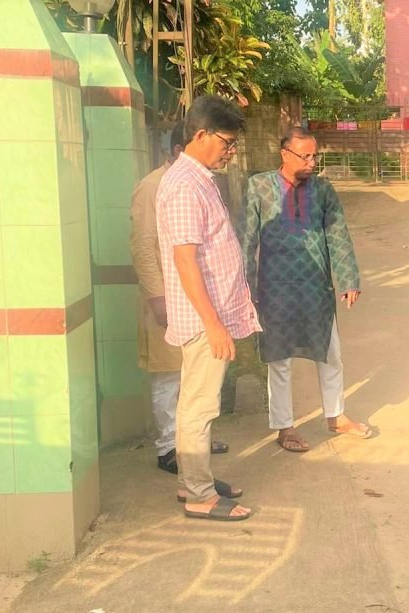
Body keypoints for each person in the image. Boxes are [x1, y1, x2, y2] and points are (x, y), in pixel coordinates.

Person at [157, 95, 260, 521]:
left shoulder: (198, 178)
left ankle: (192, 481)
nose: (230, 151)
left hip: (210, 314)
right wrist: (214, 324)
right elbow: (185, 260)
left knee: (197, 402)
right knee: (199, 405)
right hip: (204, 319)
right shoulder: (184, 186)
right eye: (226, 142)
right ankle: (200, 494)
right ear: (200, 135)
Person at [239, 127, 372, 453]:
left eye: (316, 155)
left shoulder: (324, 190)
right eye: (306, 156)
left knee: (331, 353)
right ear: (285, 154)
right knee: (279, 359)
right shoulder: (259, 187)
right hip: (274, 287)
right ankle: (285, 427)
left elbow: (337, 233)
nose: (313, 162)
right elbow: (247, 238)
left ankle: (336, 416)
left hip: (316, 286)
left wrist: (348, 277)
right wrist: (245, 285)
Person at [130, 120, 229, 475]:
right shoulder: (152, 187)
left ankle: (191, 445)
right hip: (166, 295)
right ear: (179, 150)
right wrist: (157, 296)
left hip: (188, 296)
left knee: (191, 378)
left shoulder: (197, 183)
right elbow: (142, 245)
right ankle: (168, 447)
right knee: (168, 375)